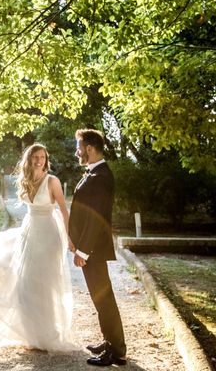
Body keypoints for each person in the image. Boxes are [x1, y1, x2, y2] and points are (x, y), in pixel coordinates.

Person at [0, 143, 77, 352]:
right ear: (29, 159)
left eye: (43, 157)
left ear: (46, 160)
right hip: (29, 231)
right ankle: (32, 335)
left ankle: (49, 335)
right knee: (25, 282)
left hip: (49, 233)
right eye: (35, 157)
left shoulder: (52, 181)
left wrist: (70, 237)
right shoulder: (25, 180)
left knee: (46, 282)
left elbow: (64, 210)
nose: (39, 160)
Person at [69, 129, 127, 366]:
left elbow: (95, 219)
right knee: (100, 297)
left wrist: (83, 251)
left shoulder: (101, 177)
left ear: (89, 148)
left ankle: (117, 351)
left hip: (92, 250)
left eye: (79, 147)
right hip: (89, 248)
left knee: (104, 298)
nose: (77, 151)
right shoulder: (95, 173)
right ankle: (109, 341)